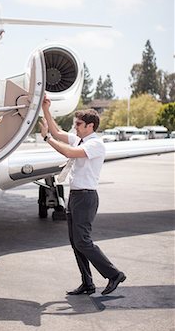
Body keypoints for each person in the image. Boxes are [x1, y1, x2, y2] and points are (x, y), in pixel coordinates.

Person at [40, 96, 126, 296]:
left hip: (87, 197)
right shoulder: (80, 139)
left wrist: (47, 139)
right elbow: (56, 131)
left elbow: (69, 152)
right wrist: (46, 109)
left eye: (78, 124)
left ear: (90, 126)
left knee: (83, 241)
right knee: (75, 241)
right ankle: (87, 283)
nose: (75, 127)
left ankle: (114, 274)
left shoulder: (95, 144)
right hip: (76, 196)